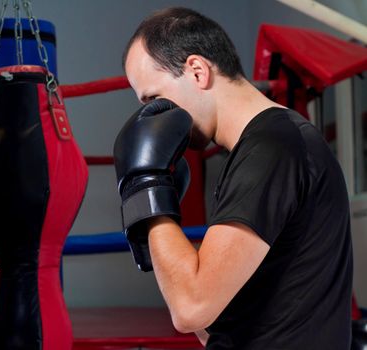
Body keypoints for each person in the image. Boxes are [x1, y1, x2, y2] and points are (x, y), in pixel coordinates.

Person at [113, 7, 353, 349]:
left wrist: (146, 185)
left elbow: (191, 309)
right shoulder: (261, 147)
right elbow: (214, 321)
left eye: (153, 97)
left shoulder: (272, 147)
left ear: (197, 71)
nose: (153, 115)